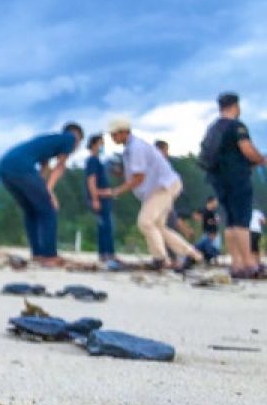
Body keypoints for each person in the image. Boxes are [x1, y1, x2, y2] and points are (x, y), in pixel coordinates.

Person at [102, 119, 202, 272]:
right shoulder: (131, 148)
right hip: (163, 186)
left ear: (124, 132)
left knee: (145, 222)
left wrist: (116, 191)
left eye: (114, 134)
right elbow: (137, 174)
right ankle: (193, 255)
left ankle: (161, 259)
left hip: (163, 186)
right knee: (159, 226)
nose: (112, 137)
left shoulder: (136, 148)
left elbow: (138, 178)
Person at [0, 124, 83, 266]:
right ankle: (50, 255)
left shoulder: (48, 141)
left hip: (4, 166)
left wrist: (43, 190)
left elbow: (44, 170)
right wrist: (49, 193)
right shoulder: (70, 138)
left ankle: (37, 254)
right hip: (21, 168)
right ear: (78, 138)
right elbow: (60, 167)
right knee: (48, 209)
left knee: (31, 210)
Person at [200, 93, 266, 278]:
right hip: (237, 177)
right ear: (235, 106)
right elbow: (247, 149)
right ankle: (247, 264)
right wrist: (261, 159)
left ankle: (235, 263)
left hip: (217, 178)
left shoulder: (213, 127)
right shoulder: (237, 126)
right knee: (242, 220)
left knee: (229, 221)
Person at [84, 134, 116, 262]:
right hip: (100, 198)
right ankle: (107, 254)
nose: (103, 146)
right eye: (101, 143)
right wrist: (95, 198)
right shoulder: (92, 160)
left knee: (106, 226)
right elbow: (91, 180)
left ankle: (106, 253)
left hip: (104, 197)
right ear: (94, 144)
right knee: (105, 227)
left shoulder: (97, 161)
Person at [193, 196, 221, 264]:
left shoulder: (214, 211)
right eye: (215, 201)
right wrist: (203, 219)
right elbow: (195, 215)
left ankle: (215, 261)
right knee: (206, 248)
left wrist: (215, 221)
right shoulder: (204, 210)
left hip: (215, 233)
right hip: (207, 233)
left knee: (215, 248)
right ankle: (203, 260)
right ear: (211, 202)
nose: (217, 203)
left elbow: (216, 220)